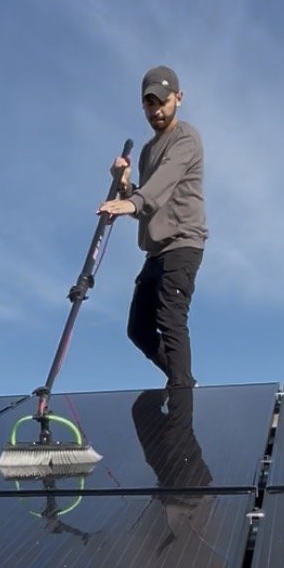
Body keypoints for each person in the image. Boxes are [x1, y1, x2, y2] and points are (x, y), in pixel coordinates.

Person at [97, 66, 207, 388]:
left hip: (183, 244)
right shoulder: (147, 151)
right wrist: (125, 187)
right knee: (138, 329)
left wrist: (134, 201)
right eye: (149, 104)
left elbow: (164, 182)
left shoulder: (186, 138)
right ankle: (184, 383)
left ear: (178, 98)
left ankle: (181, 390)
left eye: (163, 101)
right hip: (155, 251)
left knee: (171, 318)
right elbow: (147, 205)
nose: (156, 110)